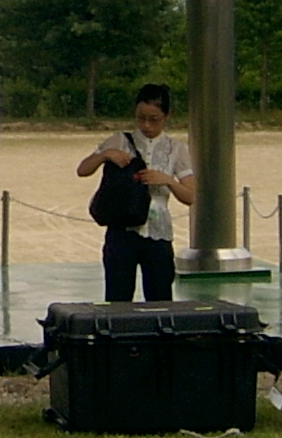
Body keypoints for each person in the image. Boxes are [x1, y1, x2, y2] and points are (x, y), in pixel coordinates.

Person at [76, 83, 196, 302]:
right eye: (141, 118)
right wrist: (105, 155)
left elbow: (190, 196)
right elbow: (82, 170)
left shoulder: (177, 149)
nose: (146, 125)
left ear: (166, 116)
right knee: (118, 298)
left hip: (158, 233)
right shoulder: (119, 140)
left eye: (154, 119)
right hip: (122, 228)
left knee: (160, 299)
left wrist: (167, 180)